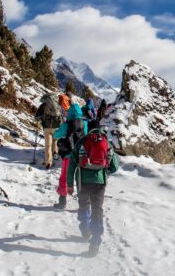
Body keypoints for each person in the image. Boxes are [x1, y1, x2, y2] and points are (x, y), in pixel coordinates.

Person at [67, 120, 118, 256]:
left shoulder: (82, 141)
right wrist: (104, 171)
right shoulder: (106, 142)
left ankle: (85, 231)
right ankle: (95, 243)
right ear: (100, 129)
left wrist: (70, 184)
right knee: (97, 210)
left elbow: (72, 163)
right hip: (99, 183)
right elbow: (115, 166)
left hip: (82, 181)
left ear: (89, 128)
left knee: (84, 205)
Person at [53, 103, 87, 210]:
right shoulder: (84, 123)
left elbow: (56, 135)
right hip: (81, 156)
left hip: (69, 155)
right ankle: (83, 204)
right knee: (82, 179)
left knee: (64, 177)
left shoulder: (67, 124)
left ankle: (62, 201)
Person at [35, 93, 62, 169]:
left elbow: (36, 117)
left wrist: (40, 120)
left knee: (48, 146)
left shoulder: (43, 105)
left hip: (47, 127)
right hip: (56, 127)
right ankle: (55, 152)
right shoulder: (57, 105)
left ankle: (48, 162)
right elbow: (61, 116)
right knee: (55, 140)